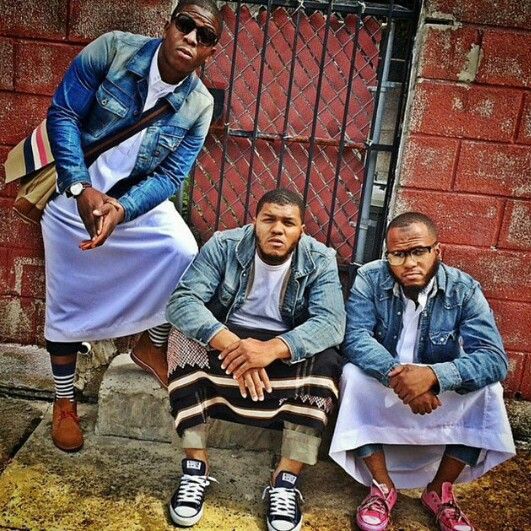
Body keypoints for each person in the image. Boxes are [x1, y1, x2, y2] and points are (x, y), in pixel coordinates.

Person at [41, 0, 223, 452]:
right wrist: (81, 188)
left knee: (182, 251)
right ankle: (64, 400)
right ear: (169, 25)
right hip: (75, 184)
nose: (191, 38)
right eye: (186, 25)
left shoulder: (199, 104)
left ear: (209, 52)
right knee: (65, 297)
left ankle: (151, 345)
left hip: (133, 198)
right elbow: (63, 114)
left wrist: (122, 209)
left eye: (205, 36)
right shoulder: (112, 50)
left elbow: (170, 176)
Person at [165, 189, 346, 530]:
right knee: (181, 340)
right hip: (229, 340)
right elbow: (182, 302)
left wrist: (270, 350)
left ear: (301, 230)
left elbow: (331, 323)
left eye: (288, 223)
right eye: (269, 220)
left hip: (283, 348)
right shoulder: (224, 245)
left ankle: (285, 480)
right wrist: (238, 349)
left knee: (327, 363)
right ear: (255, 223)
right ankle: (195, 467)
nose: (277, 229)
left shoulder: (320, 259)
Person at [329, 212, 515, 531]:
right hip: (385, 382)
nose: (409, 263)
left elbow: (494, 358)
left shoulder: (463, 289)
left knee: (490, 390)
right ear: (388, 255)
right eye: (398, 254)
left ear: (437, 251)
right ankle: (382, 486)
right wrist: (400, 377)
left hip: (437, 391)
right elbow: (355, 338)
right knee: (352, 377)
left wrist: (433, 377)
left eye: (418, 251)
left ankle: (439, 491)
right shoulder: (370, 278)